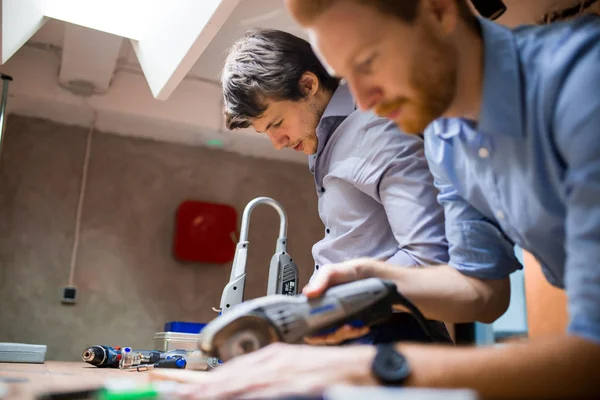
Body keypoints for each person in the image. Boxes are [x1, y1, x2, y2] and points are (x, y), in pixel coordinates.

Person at [151, 1, 600, 398]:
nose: (364, 100)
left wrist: (368, 368)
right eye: (349, 76)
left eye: (369, 62)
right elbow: (483, 291)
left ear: (439, 10)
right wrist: (370, 280)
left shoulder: (583, 81)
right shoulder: (448, 139)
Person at [220, 29, 451, 344]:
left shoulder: (376, 129)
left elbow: (430, 258)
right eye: (266, 132)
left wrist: (334, 303)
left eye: (276, 124)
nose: (277, 143)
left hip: (394, 334)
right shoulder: (322, 141)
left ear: (308, 85)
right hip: (353, 331)